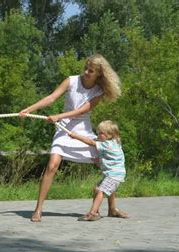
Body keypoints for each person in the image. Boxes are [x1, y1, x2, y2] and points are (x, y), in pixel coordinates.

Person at [19, 54, 127, 222]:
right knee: (52, 165)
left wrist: (59, 115)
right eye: (85, 68)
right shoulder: (71, 80)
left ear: (99, 73)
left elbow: (82, 110)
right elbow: (51, 97)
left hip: (82, 128)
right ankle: (38, 209)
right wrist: (29, 109)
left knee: (105, 162)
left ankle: (112, 208)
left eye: (90, 71)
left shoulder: (99, 91)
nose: (85, 72)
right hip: (63, 128)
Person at [69, 120, 127, 221]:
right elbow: (94, 140)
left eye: (101, 133)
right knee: (96, 189)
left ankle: (93, 213)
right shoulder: (114, 141)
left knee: (100, 191)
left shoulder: (107, 144)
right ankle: (110, 211)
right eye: (98, 132)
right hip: (111, 173)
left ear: (110, 135)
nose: (98, 135)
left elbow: (91, 142)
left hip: (114, 174)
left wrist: (76, 136)